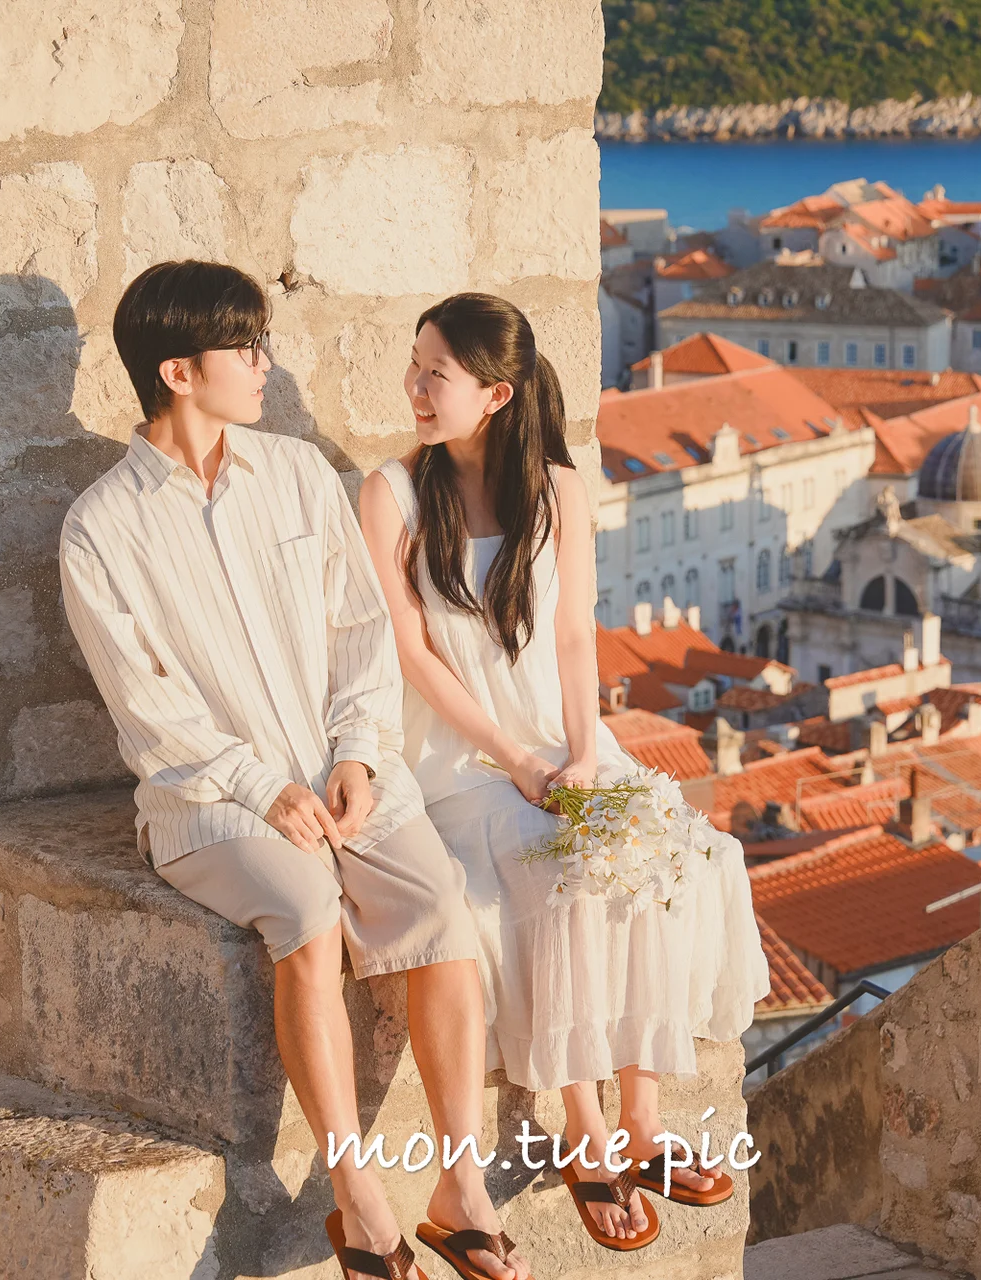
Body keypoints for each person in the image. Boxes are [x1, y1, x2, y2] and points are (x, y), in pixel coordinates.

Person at [59, 262, 529, 1280]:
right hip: (209, 802)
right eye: (245, 347)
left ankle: (460, 1189)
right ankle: (358, 1196)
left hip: (344, 772)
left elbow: (361, 631)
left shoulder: (300, 473)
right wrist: (261, 787)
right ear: (179, 372)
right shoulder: (101, 527)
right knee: (309, 913)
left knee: (440, 908)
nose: (265, 363)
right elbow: (148, 710)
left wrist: (356, 752)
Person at [356, 293, 769, 1253]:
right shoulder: (392, 495)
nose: (415, 387)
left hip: (563, 734)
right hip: (460, 756)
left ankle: (643, 1123)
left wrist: (584, 751)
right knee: (558, 870)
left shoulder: (557, 490)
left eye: (436, 373)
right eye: (415, 365)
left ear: (496, 393)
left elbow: (577, 637)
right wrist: (517, 761)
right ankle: (586, 1132)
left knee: (663, 851)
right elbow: (416, 658)